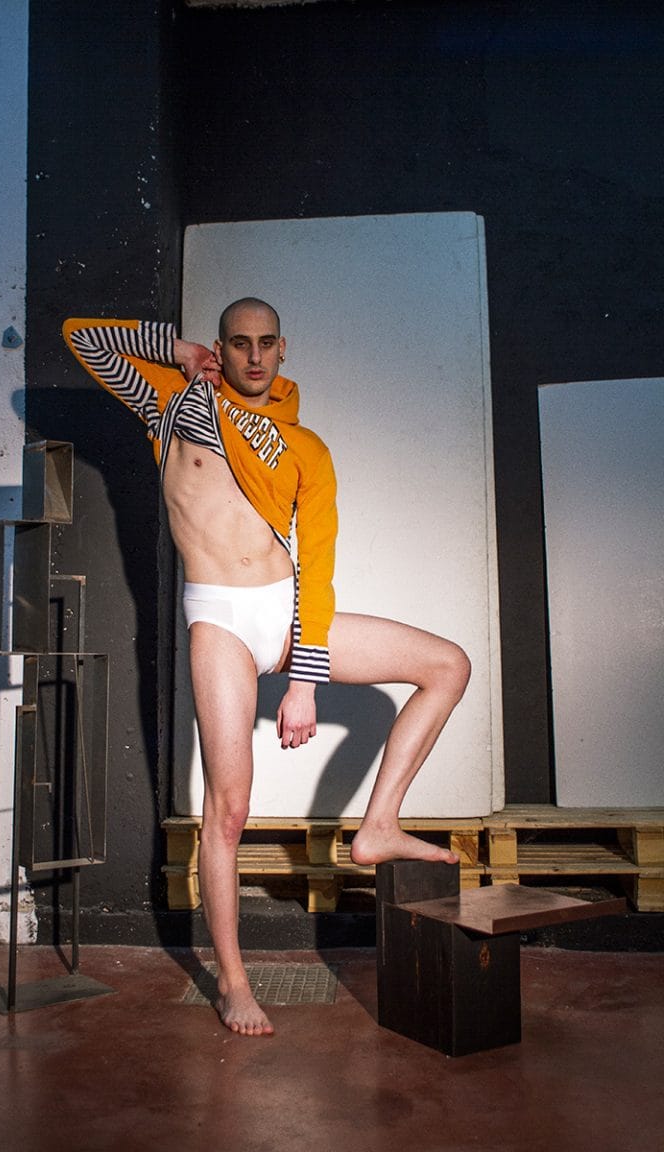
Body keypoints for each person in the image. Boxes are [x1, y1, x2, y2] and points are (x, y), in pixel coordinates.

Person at [63, 298, 471, 1037]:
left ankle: (378, 825)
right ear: (222, 348)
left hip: (284, 608)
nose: (254, 356)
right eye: (239, 343)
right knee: (228, 811)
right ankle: (234, 981)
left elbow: (319, 567)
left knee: (448, 665)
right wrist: (180, 351)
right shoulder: (171, 404)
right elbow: (82, 339)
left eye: (266, 343)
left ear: (284, 349)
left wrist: (304, 680)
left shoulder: (303, 447)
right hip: (219, 617)